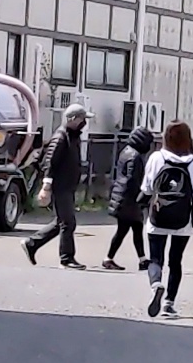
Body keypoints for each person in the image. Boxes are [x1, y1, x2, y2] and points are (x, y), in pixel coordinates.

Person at [139, 120, 193, 319]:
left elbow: (146, 188)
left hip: (157, 216)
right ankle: (168, 304)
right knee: (175, 261)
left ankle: (156, 286)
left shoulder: (156, 158)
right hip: (183, 220)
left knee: (155, 259)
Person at [22, 103, 92, 270]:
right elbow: (50, 162)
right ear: (73, 119)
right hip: (60, 187)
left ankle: (32, 243)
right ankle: (67, 258)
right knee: (68, 223)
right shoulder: (61, 137)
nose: (85, 122)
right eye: (82, 119)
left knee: (61, 222)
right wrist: (46, 186)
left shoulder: (72, 136)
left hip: (68, 186)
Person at [104, 126, 154, 271]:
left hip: (122, 196)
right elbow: (133, 179)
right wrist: (141, 198)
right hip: (129, 199)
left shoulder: (126, 151)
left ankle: (142, 259)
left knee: (134, 228)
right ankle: (109, 258)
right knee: (125, 230)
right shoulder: (136, 156)